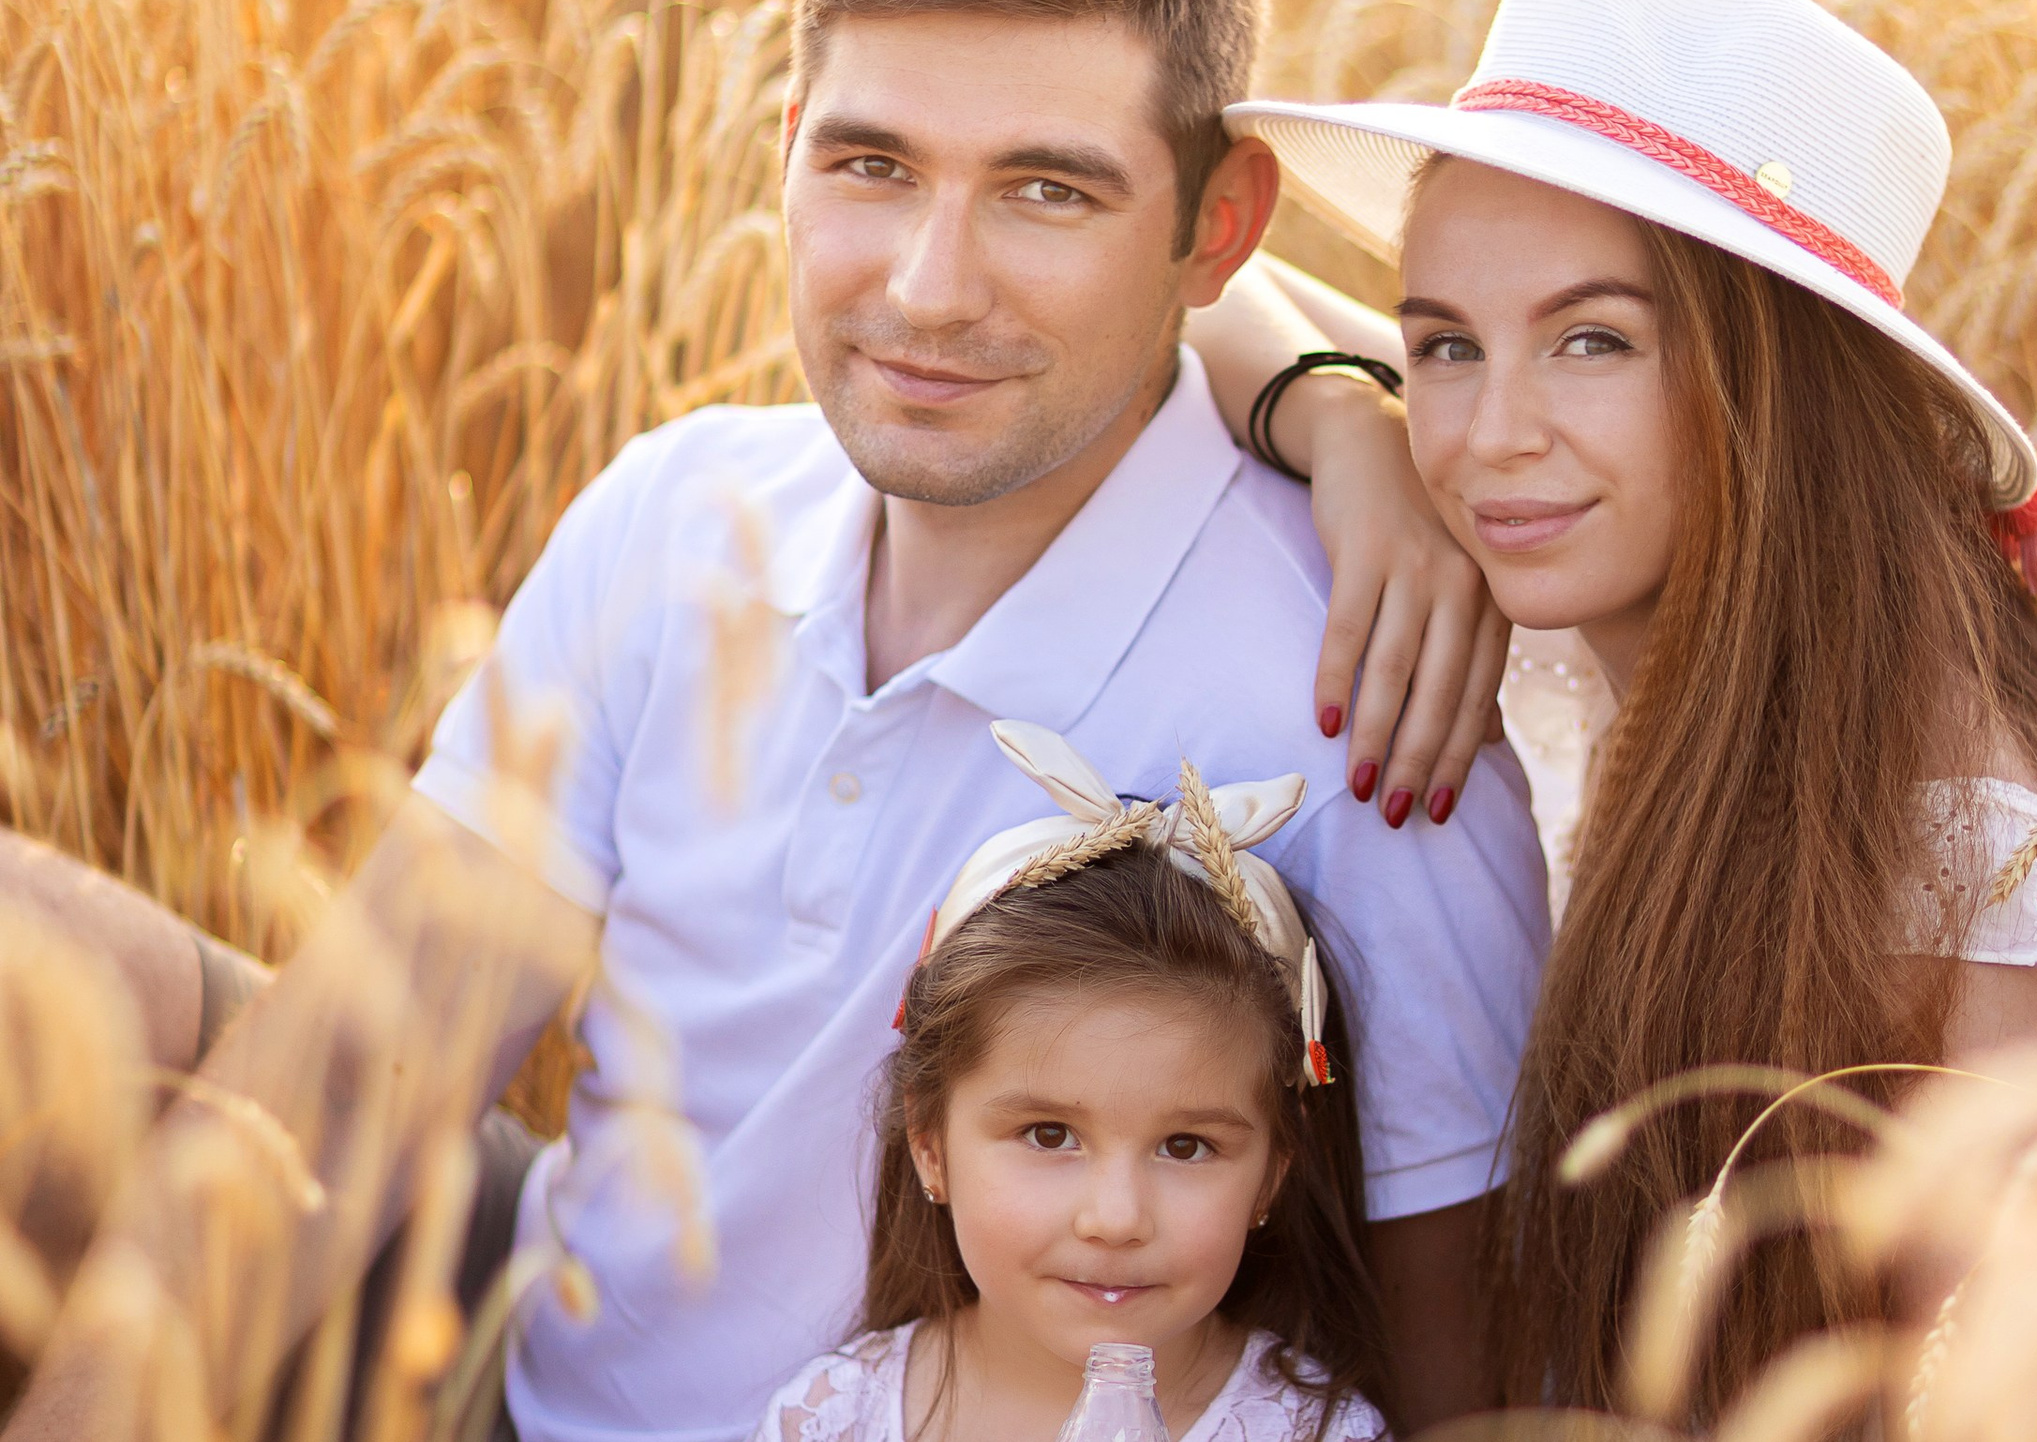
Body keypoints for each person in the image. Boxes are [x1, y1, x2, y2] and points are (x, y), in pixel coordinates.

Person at [1, 0, 1549, 1436]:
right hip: (517, 1339)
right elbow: (354, 1073)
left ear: (1217, 229)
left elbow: (1443, 1385)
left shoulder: (1365, 709)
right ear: (790, 148)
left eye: (1047, 192)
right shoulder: (680, 515)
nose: (928, 288)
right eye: (874, 165)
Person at [1223, 0, 2037, 1419]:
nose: (1487, 434)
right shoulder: (1691, 672)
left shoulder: (1970, 888)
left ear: (1779, 377)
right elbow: (1196, 295)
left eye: (1593, 343)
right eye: (1443, 346)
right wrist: (1343, 422)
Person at [755, 722, 1389, 1442]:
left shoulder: (1317, 1435)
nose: (1115, 1220)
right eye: (1048, 1135)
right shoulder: (832, 1418)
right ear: (930, 1145)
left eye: (1186, 1146)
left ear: (1274, 1174)